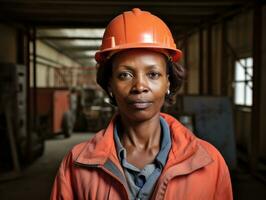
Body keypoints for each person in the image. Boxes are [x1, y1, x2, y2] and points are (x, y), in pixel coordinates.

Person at [50, 8, 233, 200]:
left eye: (153, 74)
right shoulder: (76, 165)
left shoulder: (210, 164)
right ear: (110, 84)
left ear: (168, 83)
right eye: (125, 75)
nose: (139, 86)